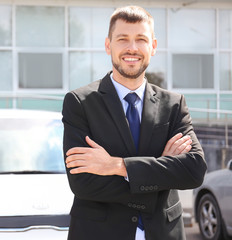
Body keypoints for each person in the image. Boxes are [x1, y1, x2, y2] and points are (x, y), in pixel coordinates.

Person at [62, 5, 207, 240]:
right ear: (108, 45)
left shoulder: (174, 104)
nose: (132, 48)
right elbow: (83, 182)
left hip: (163, 233)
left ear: (153, 46)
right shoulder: (80, 103)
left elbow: (193, 170)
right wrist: (162, 170)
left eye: (141, 39)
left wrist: (117, 166)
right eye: (122, 39)